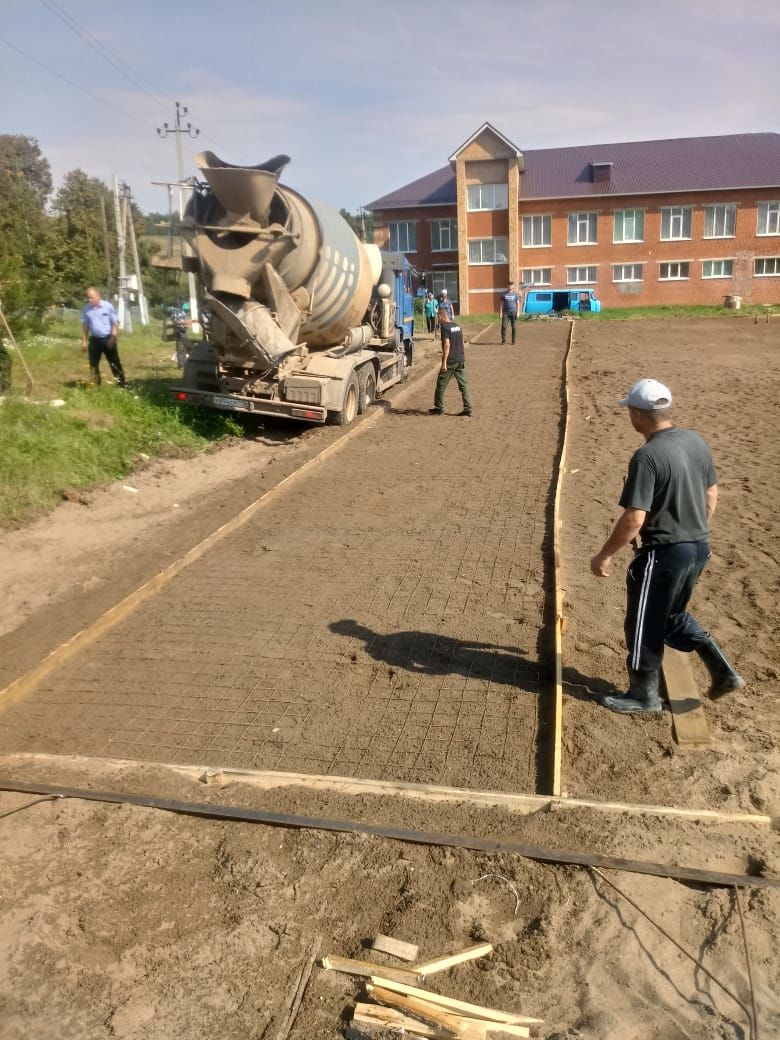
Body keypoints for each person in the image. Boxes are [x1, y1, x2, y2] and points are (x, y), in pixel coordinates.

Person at [590, 378, 744, 714]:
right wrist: (694, 529)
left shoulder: (646, 456)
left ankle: (644, 696)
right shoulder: (695, 441)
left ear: (638, 414)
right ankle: (723, 671)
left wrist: (605, 555)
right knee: (672, 616)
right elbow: (711, 493)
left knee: (642, 621)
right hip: (698, 547)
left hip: (664, 553)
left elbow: (634, 518)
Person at [429, 307, 472, 417]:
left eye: (438, 317)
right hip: (460, 359)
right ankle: (468, 409)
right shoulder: (457, 326)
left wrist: (444, 363)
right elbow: (461, 341)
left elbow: (447, 345)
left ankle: (439, 408)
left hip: (451, 360)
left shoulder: (445, 327)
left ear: (442, 316)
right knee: (463, 385)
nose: (438, 319)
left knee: (441, 384)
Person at [81, 286, 126, 387]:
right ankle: (96, 385)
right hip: (94, 340)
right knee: (93, 364)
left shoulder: (107, 306)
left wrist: (112, 338)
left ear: (98, 296)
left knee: (114, 363)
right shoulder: (86, 309)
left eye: (91, 297)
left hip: (108, 339)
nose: (89, 300)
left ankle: (122, 384)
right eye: (88, 297)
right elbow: (85, 325)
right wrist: (84, 340)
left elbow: (116, 322)